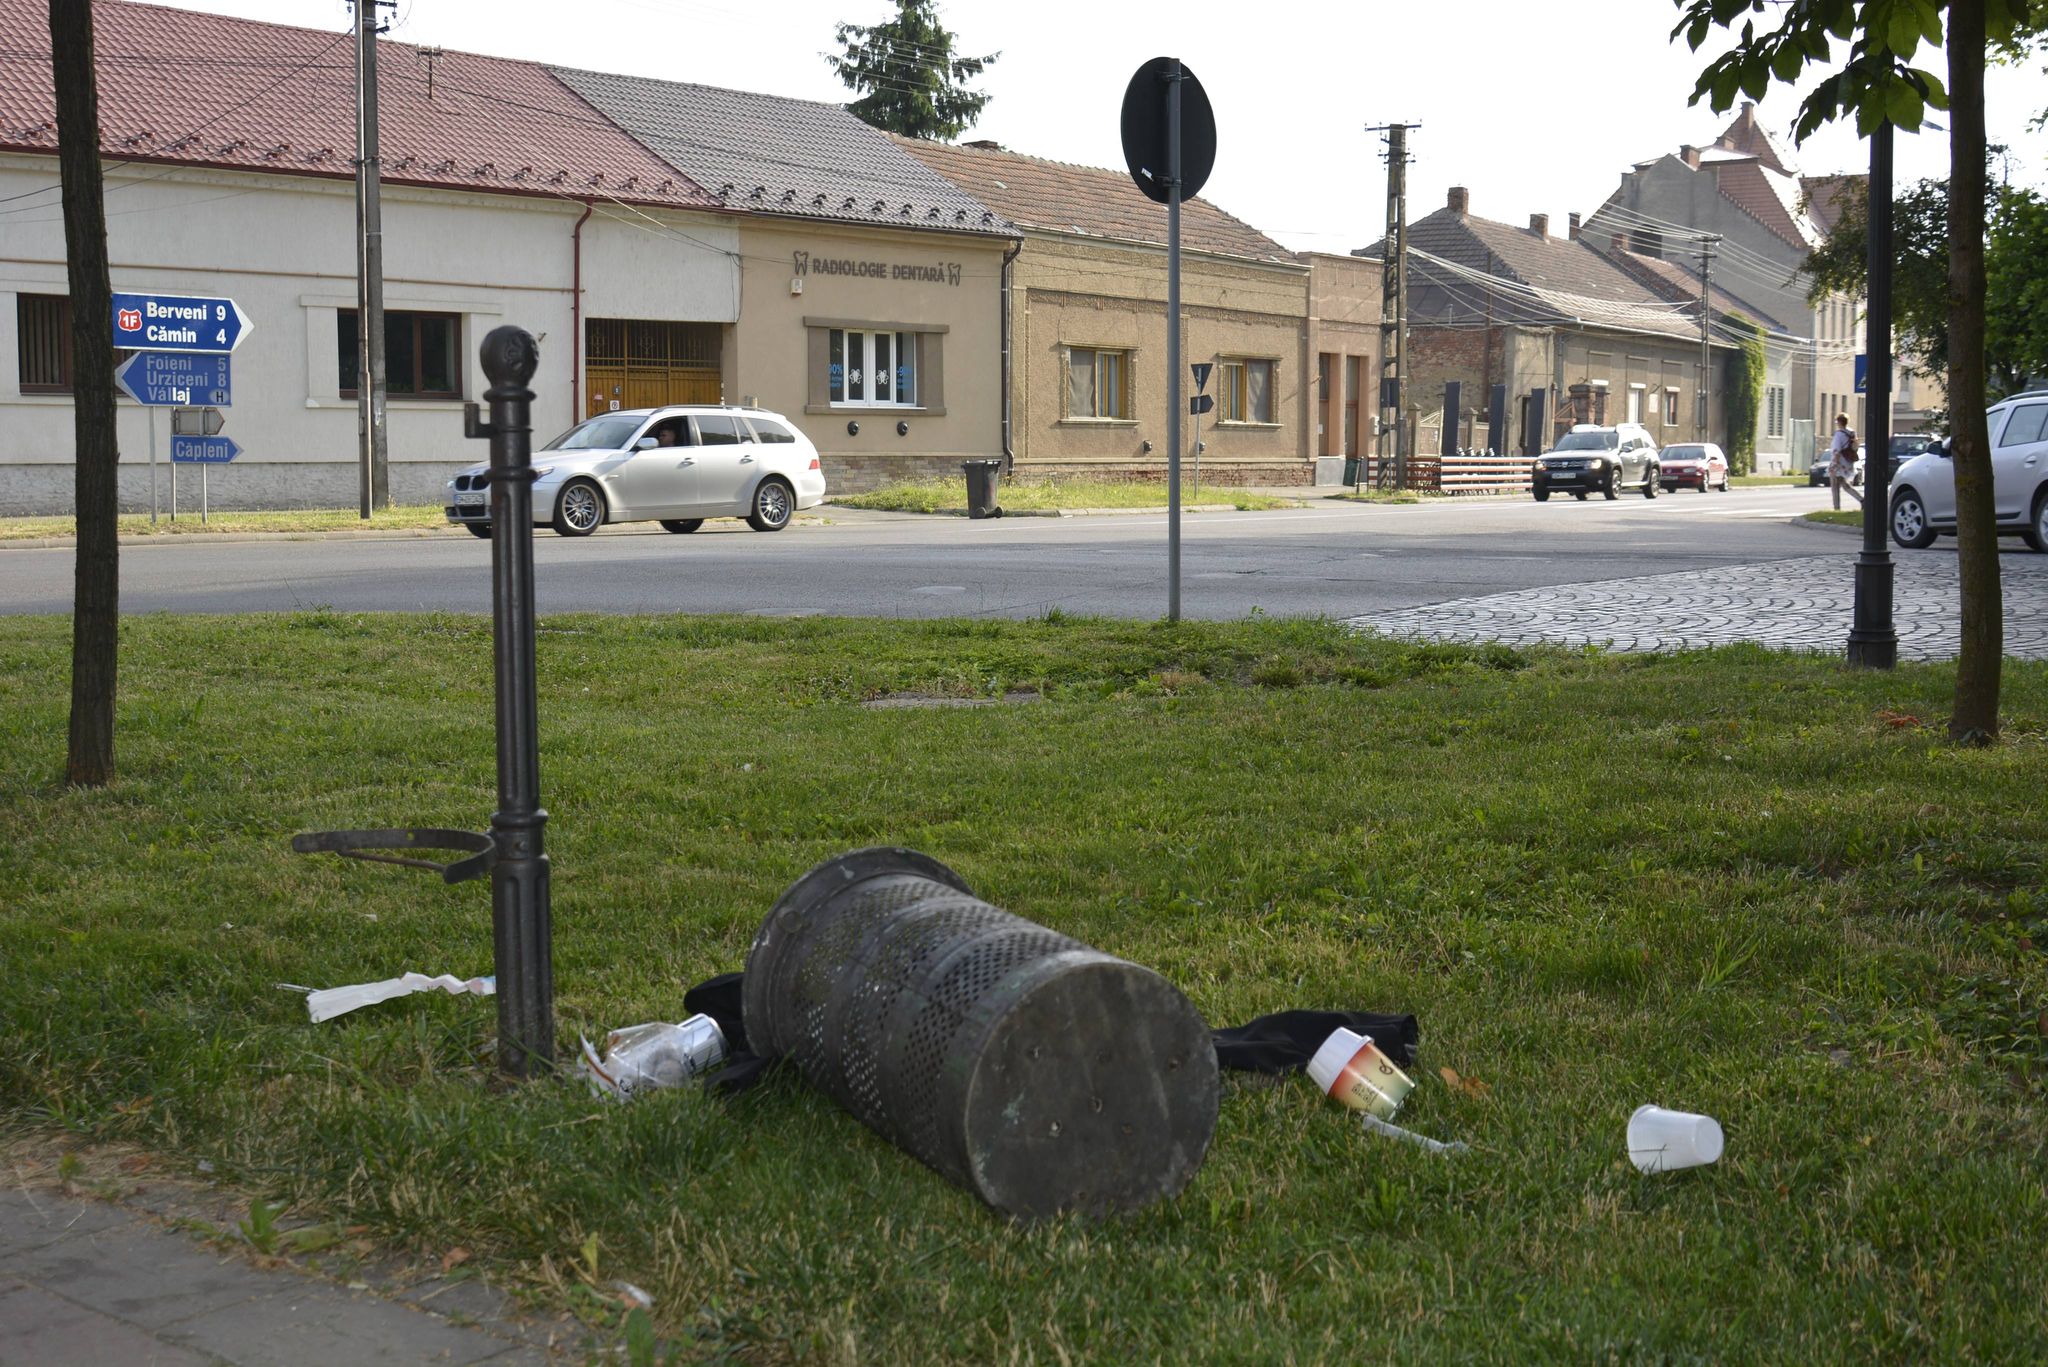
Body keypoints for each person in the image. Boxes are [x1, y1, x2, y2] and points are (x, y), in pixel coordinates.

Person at [1828, 412, 1861, 510]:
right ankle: (1862, 500)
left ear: (1839, 422)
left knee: (1834, 486)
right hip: (1848, 461)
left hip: (1839, 462)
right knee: (1845, 484)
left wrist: (1834, 464)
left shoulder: (1839, 434)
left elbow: (1836, 450)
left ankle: (1836, 508)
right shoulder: (1851, 432)